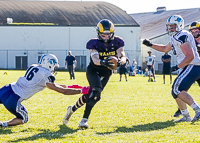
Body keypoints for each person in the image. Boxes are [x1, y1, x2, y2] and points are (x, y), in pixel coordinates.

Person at [63, 19, 126, 128]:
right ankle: (84, 120)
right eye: (103, 35)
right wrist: (103, 62)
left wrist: (121, 61)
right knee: (96, 93)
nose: (106, 37)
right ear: (98, 33)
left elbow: (122, 55)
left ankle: (71, 109)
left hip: (106, 73)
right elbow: (95, 59)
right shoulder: (94, 43)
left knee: (90, 95)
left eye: (108, 34)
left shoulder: (117, 42)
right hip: (93, 70)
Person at [0, 54, 89, 127]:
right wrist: (80, 91)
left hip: (7, 88)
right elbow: (63, 91)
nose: (54, 68)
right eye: (54, 65)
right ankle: (4, 124)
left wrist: (69, 86)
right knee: (24, 118)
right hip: (14, 98)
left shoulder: (34, 66)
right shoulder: (47, 75)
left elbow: (53, 85)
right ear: (50, 64)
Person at [143, 15, 200, 122]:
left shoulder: (182, 35)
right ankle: (186, 116)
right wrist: (150, 44)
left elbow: (190, 56)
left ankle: (197, 110)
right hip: (189, 66)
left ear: (179, 25)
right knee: (176, 92)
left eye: (173, 26)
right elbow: (165, 48)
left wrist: (177, 66)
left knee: (177, 89)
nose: (171, 28)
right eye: (169, 26)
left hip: (191, 65)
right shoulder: (175, 36)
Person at [173, 21, 200, 118]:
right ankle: (181, 109)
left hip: (197, 66)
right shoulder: (190, 39)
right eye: (192, 30)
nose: (194, 32)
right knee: (182, 89)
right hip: (194, 66)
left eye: (196, 30)